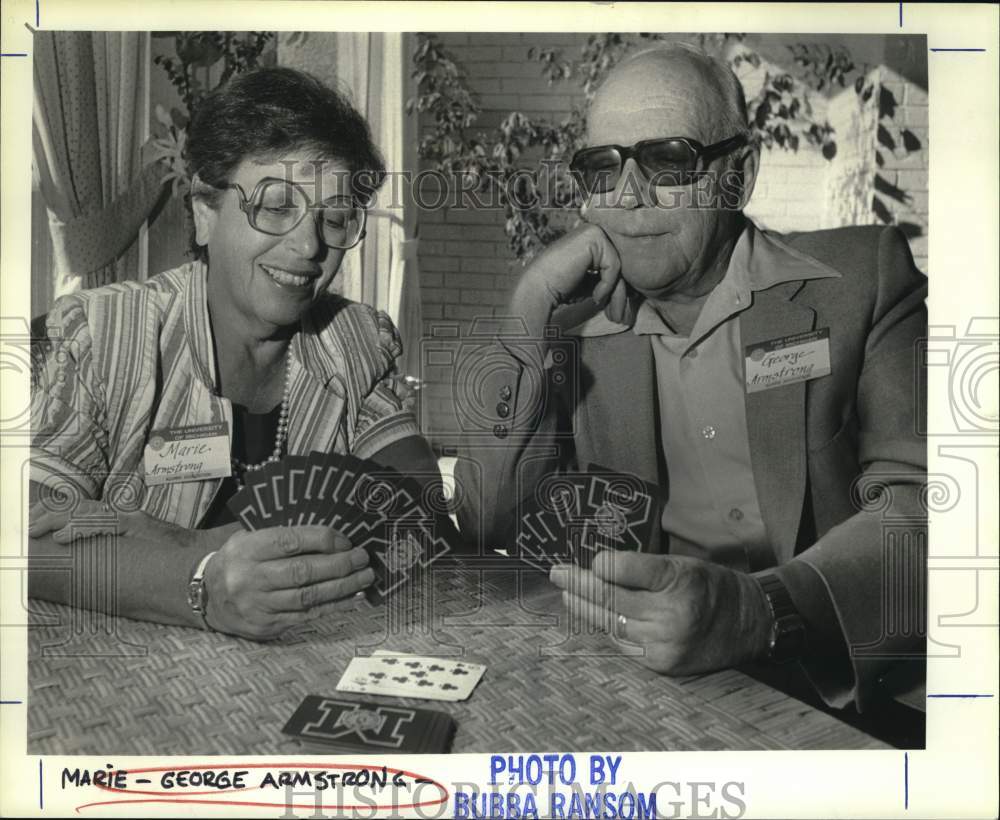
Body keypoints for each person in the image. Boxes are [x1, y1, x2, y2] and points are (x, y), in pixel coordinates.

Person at [455, 44, 927, 712]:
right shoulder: (571, 331)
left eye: (668, 160)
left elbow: (925, 508)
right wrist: (523, 319)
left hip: (855, 690)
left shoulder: (863, 281)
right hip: (664, 694)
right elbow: (489, 529)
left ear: (741, 171)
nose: (628, 198)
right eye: (603, 167)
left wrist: (757, 610)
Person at [28, 67, 443, 641]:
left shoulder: (353, 341)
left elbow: (418, 505)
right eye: (276, 207)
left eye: (336, 218)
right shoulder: (108, 333)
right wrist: (202, 583)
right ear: (204, 211)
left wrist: (182, 541)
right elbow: (28, 536)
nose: (308, 247)